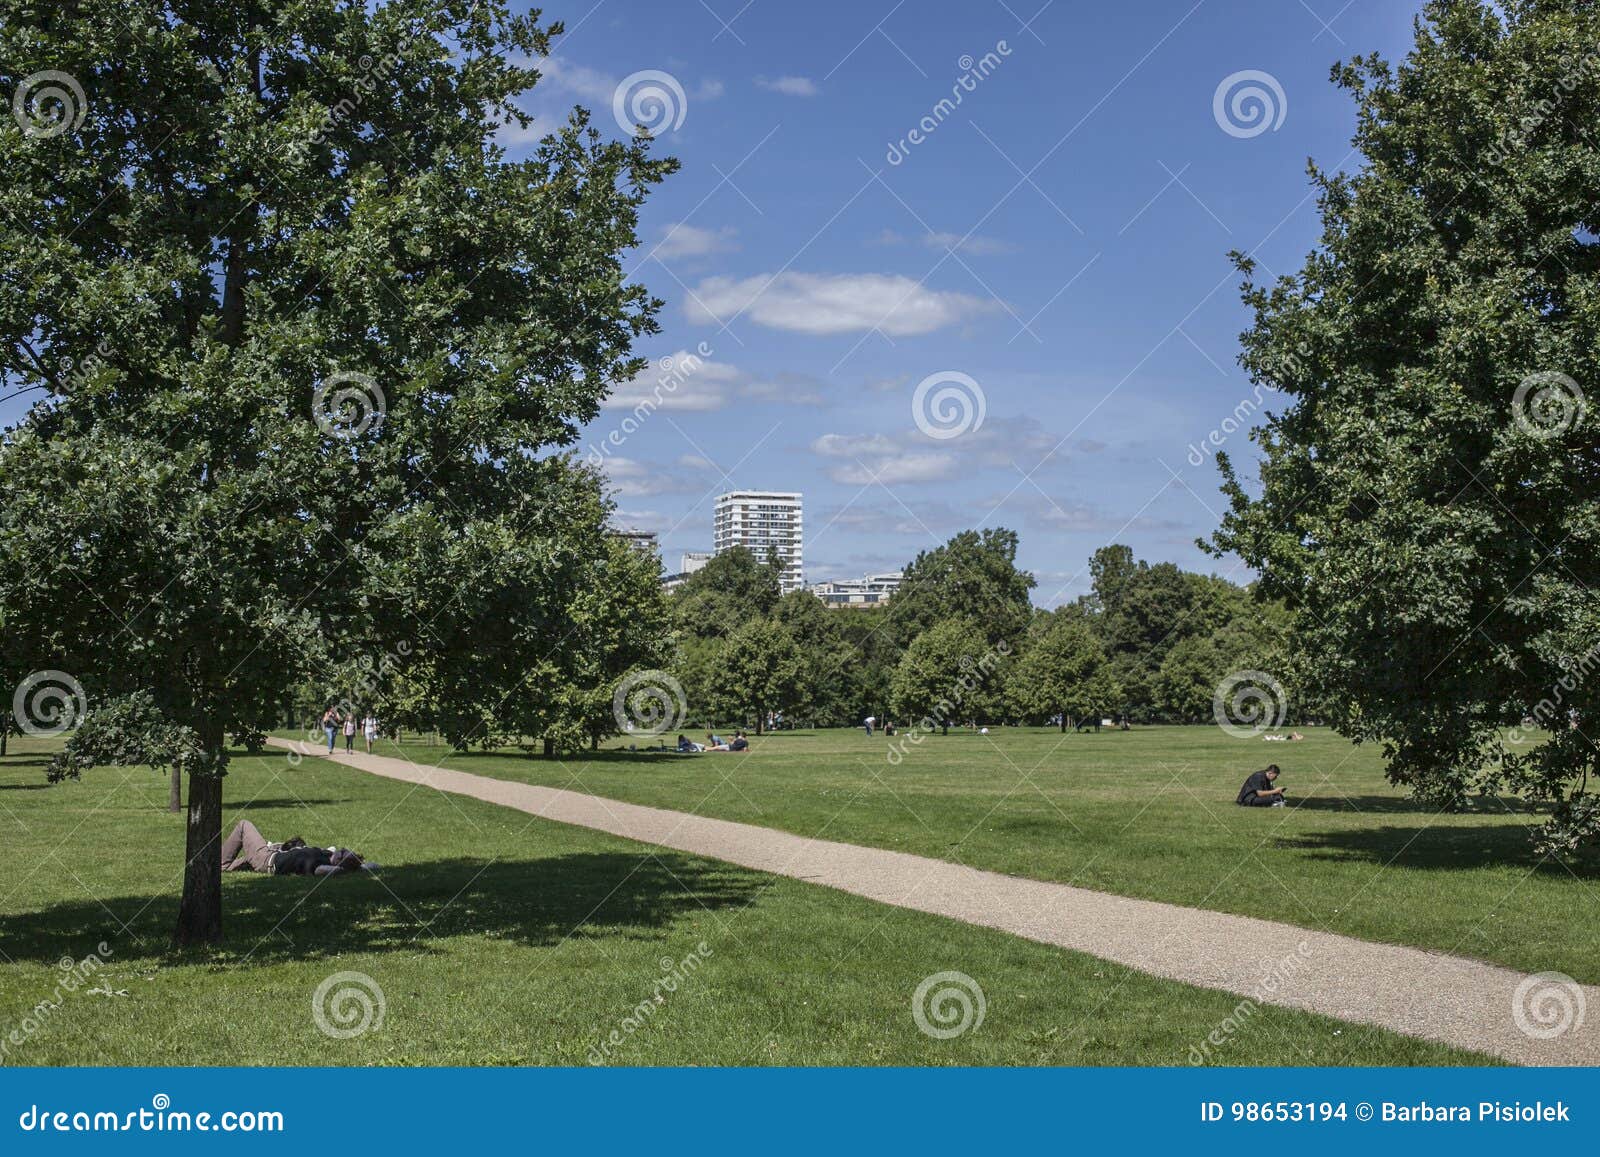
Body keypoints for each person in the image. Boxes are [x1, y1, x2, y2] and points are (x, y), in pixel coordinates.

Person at [220, 820, 367, 876]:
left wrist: (345, 869)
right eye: (343, 851)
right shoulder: (326, 854)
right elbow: (373, 865)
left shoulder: (320, 865)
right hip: (270, 854)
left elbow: (328, 871)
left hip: (266, 859)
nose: (339, 853)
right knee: (248, 858)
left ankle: (220, 862)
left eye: (341, 856)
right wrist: (360, 865)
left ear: (339, 862)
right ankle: (222, 867)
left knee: (244, 825)